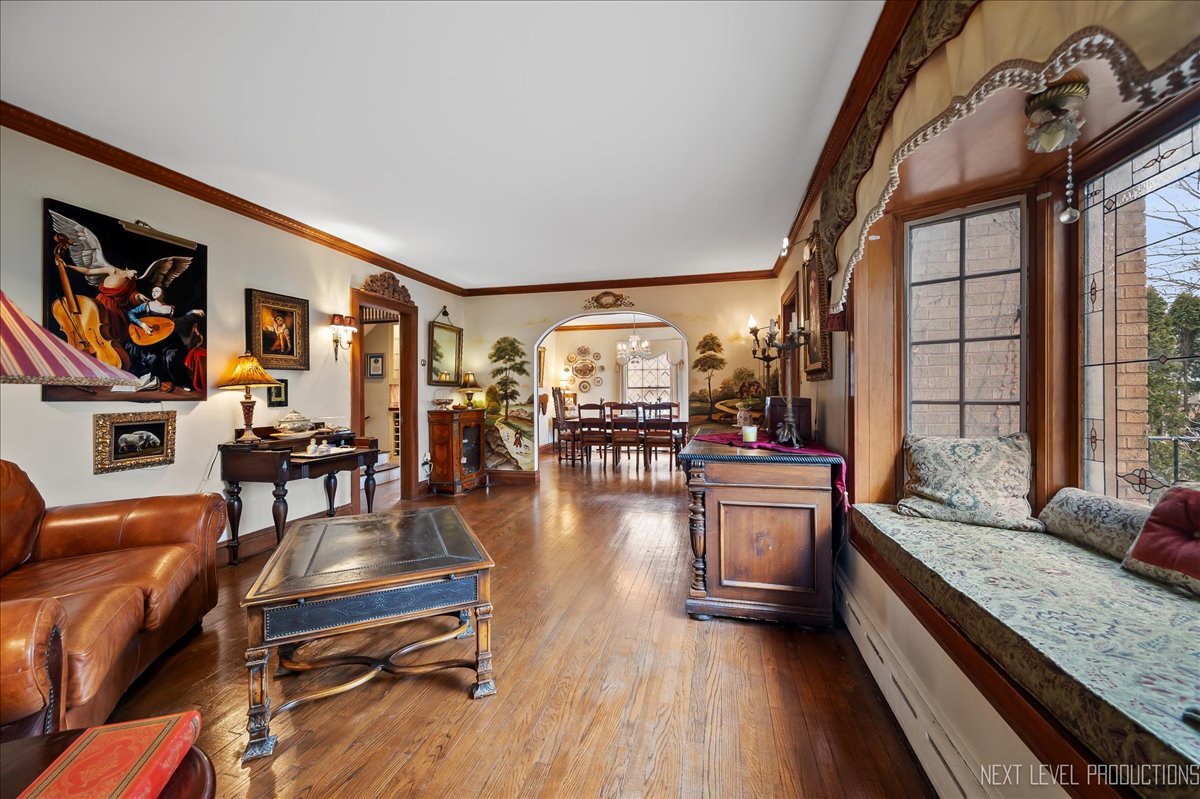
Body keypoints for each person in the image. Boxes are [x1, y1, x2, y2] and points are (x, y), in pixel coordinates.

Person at [125, 287, 205, 391]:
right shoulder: (147, 305)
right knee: (152, 358)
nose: (154, 292)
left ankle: (180, 382)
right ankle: (154, 383)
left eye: (157, 291)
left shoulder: (171, 308)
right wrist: (142, 324)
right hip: (151, 340)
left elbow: (183, 316)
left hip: (168, 339)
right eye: (153, 291)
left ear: (164, 294)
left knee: (172, 357)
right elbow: (130, 313)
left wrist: (193, 311)